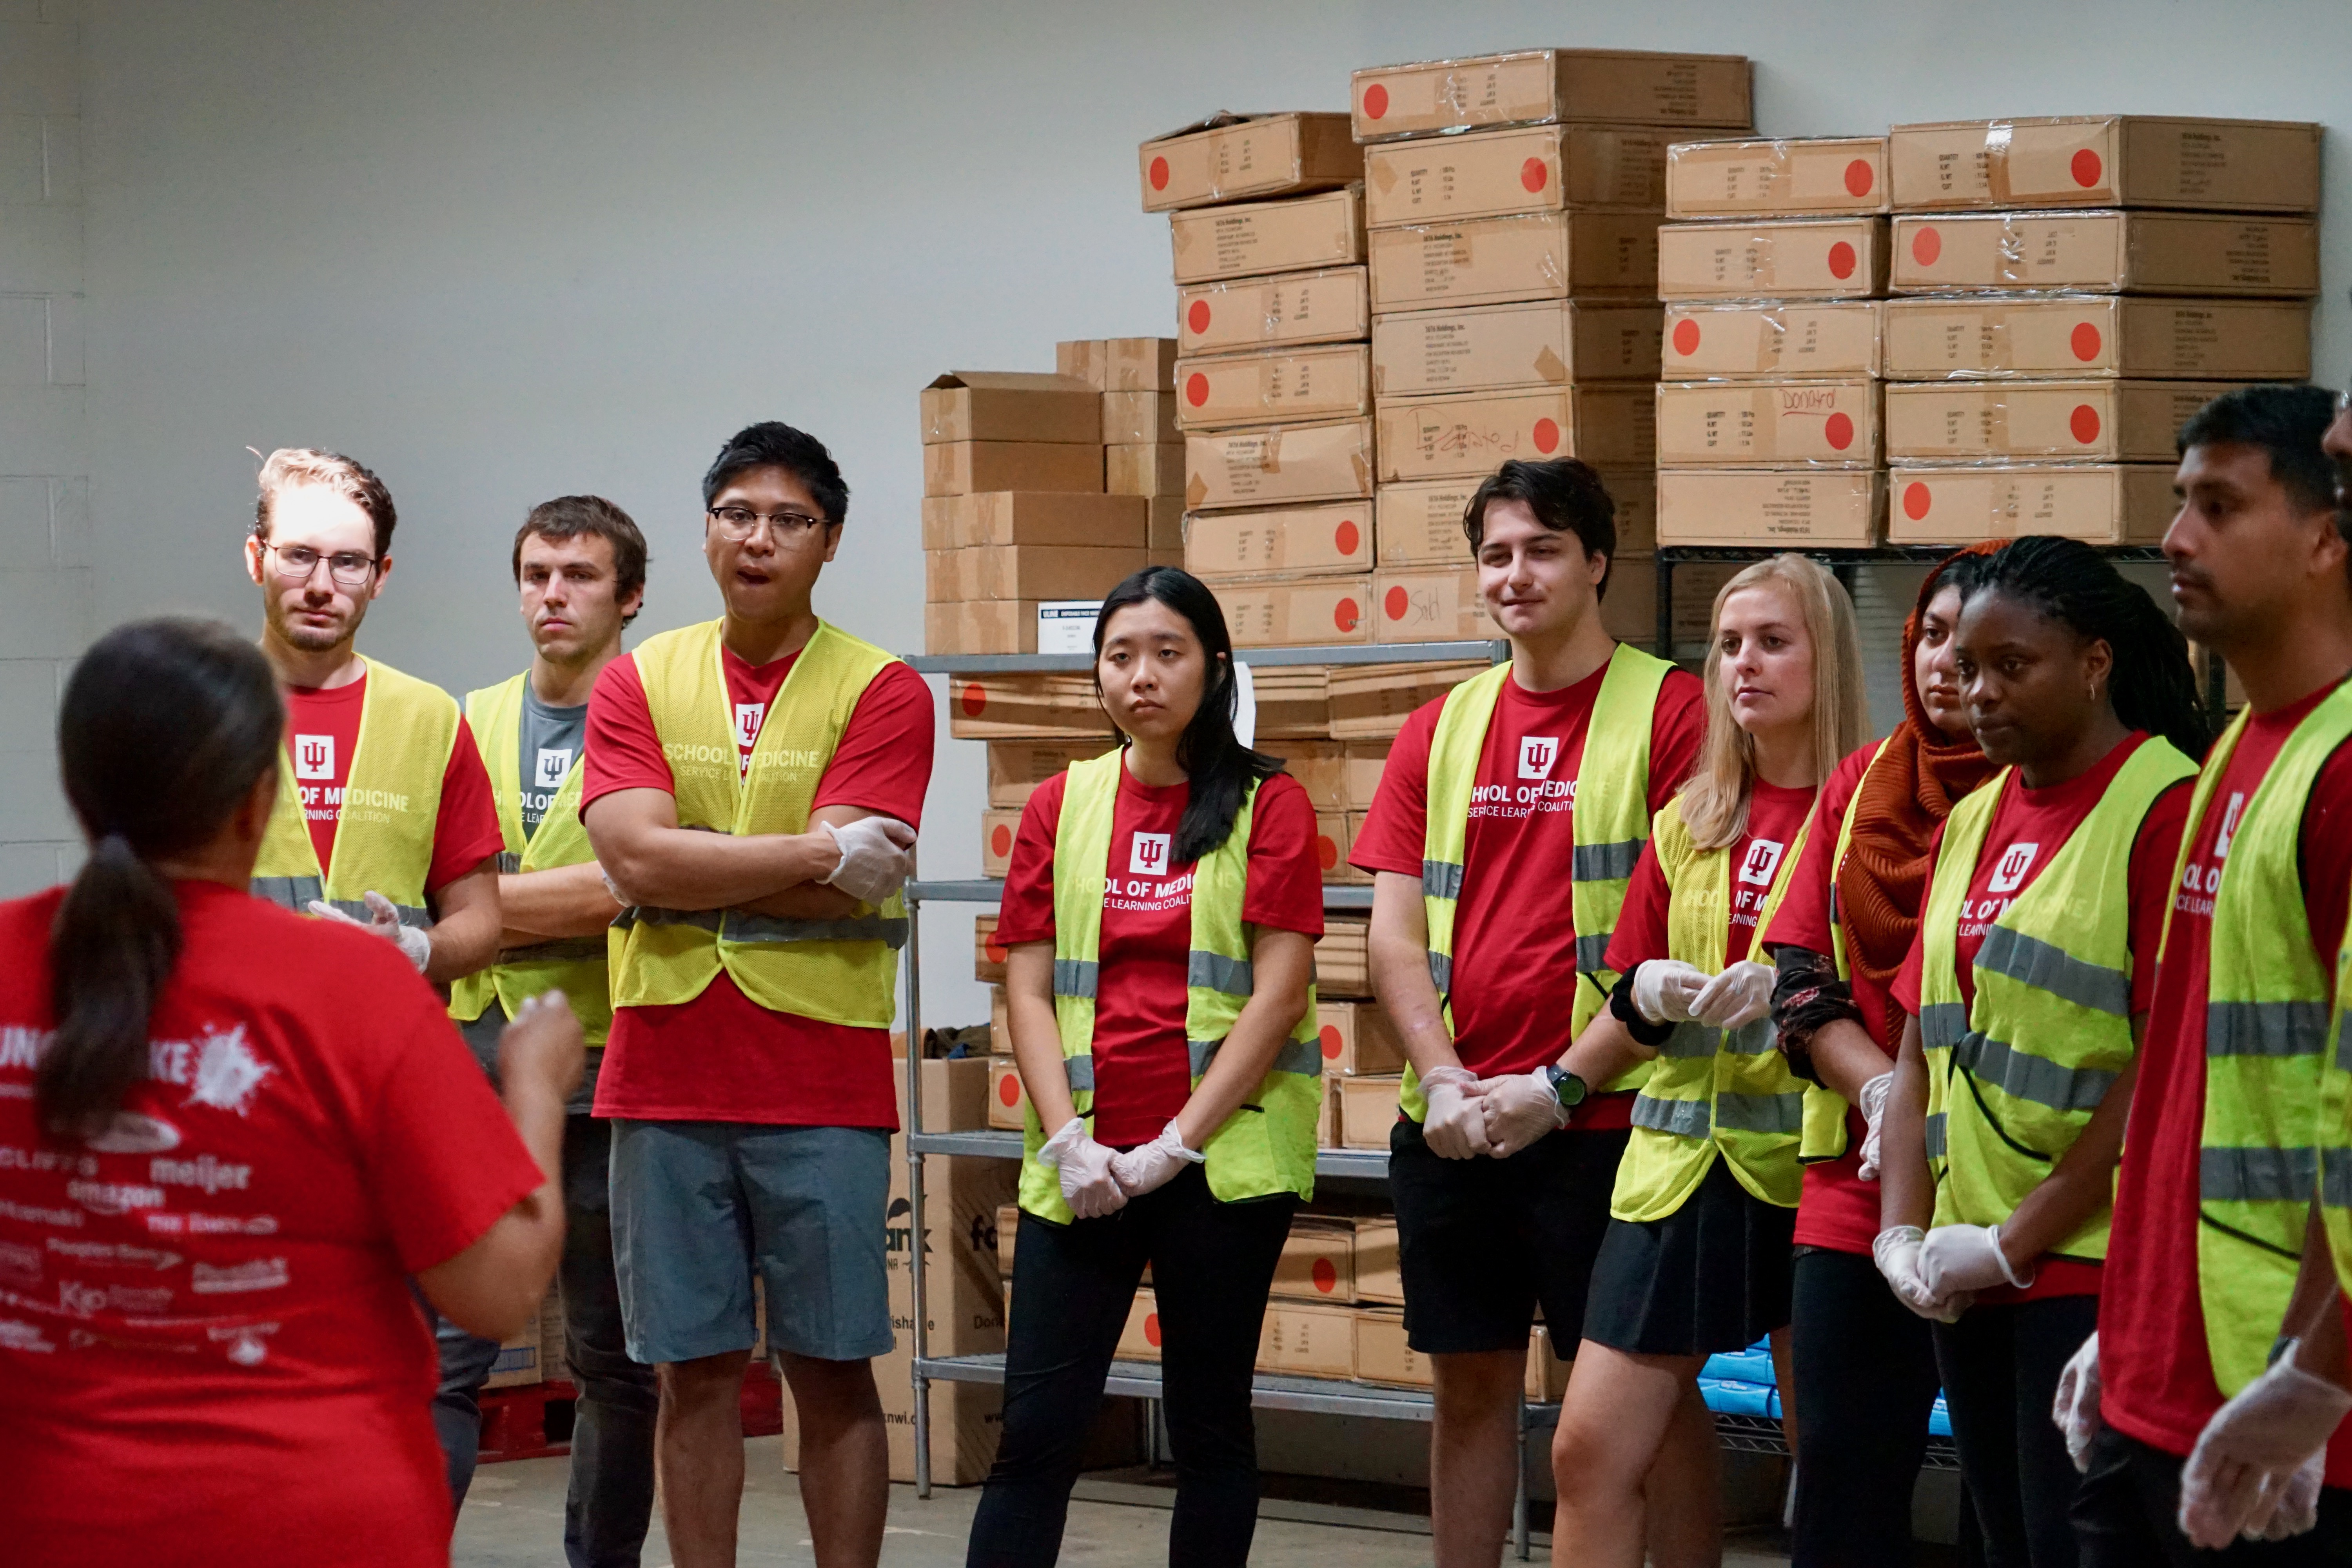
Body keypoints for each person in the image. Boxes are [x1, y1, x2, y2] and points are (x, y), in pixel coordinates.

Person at [0, 617, 578, 1568]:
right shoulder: (351, 987)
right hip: (310, 1520)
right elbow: (499, 1286)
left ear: (76, 789)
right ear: (255, 799)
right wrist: (534, 1083)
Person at [581, 421, 933, 1568]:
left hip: (819, 1077)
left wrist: (702, 859)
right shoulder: (637, 678)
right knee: (690, 1373)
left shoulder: (881, 690)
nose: (759, 539)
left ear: (829, 542)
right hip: (665, 1071)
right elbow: (633, 860)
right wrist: (815, 852)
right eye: (736, 514)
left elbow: (842, 889)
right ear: (705, 532)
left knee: (833, 1371)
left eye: (788, 520)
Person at [1349, 457, 1707, 1568]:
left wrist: (1560, 1088)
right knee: (1468, 1389)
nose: (1517, 574)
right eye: (1496, 554)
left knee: (1653, 1403)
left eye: (1543, 549)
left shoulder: (1676, 711)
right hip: (1456, 1125)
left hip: (1613, 1124)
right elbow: (1392, 934)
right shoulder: (1439, 728)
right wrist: (1446, 1078)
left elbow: (1683, 939)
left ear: (1598, 562)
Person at [966, 567, 1324, 1568]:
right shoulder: (1062, 801)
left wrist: (1176, 1143)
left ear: (1213, 668)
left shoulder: (1269, 802)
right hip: (1082, 1163)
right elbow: (1028, 988)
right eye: (1120, 655)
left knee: (1210, 1427)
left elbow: (1278, 994)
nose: (1142, 676)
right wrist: (1072, 1140)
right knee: (1036, 1432)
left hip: (1217, 1162)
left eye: (1168, 652)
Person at [2061, 382, 2352, 1564]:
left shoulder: (2337, 774)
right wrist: (2126, 1320)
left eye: (2219, 507)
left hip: (2274, 1415)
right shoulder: (2238, 748)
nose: (2175, 540)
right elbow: (2189, 1073)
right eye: (2180, 504)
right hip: (2163, 1372)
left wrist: (2319, 1374)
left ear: (2326, 536)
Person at [1873, 536, 2204, 1567]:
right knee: (2008, 1541)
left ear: (2095, 663)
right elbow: (1925, 1031)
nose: (1980, 694)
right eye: (1968, 670)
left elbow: (2160, 1065)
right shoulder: (1970, 818)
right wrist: (1903, 1230)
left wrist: (2021, 1238)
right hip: (1962, 1264)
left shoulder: (2163, 807)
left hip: (2085, 1265)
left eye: (2014, 668)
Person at [1550, 553, 1869, 1568]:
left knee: (1828, 1464)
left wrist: (1807, 998)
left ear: (1828, 658)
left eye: (1774, 642)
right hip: (1679, 1173)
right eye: (1728, 645)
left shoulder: (1882, 818)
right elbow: (1628, 996)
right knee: (1587, 1451)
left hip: (1819, 1174)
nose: (1744, 665)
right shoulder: (1687, 823)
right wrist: (1560, 1080)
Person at [1762, 543, 2002, 1566]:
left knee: (2017, 1508)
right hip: (1854, 1195)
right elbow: (1800, 977)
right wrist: (1881, 1096)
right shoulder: (1861, 783)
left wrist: (1927, 1109)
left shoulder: (2058, 792)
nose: (1948, 662)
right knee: (1842, 1498)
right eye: (1933, 635)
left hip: (2014, 1196)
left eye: (1978, 641)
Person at [441, 496, 659, 1563]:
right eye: (535, 574)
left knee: (615, 1361)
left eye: (578, 575)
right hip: (474, 1061)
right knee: (448, 1357)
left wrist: (482, 912)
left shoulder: (662, 719)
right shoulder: (465, 719)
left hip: (613, 1066)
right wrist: (541, 899)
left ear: (630, 595)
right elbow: (426, 891)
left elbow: (626, 887)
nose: (552, 596)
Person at [242, 447, 503, 980]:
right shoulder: (194, 708)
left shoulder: (430, 719)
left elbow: (479, 919)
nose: (320, 586)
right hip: (236, 1041)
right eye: (298, 556)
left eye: (348, 563)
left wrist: (418, 950)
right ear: (256, 559)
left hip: (385, 1038)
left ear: (380, 575)